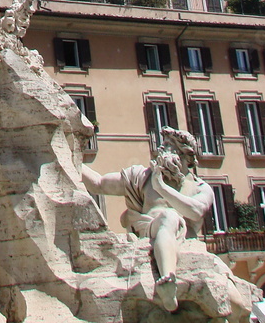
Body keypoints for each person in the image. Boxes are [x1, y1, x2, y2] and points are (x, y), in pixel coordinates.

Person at [82, 127, 214, 312]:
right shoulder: (142, 176)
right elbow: (99, 184)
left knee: (169, 216)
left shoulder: (200, 187)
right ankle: (167, 282)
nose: (161, 148)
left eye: (168, 146)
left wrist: (161, 188)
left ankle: (168, 282)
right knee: (167, 217)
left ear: (185, 154)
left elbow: (196, 211)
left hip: (182, 237)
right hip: (147, 230)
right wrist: (66, 154)